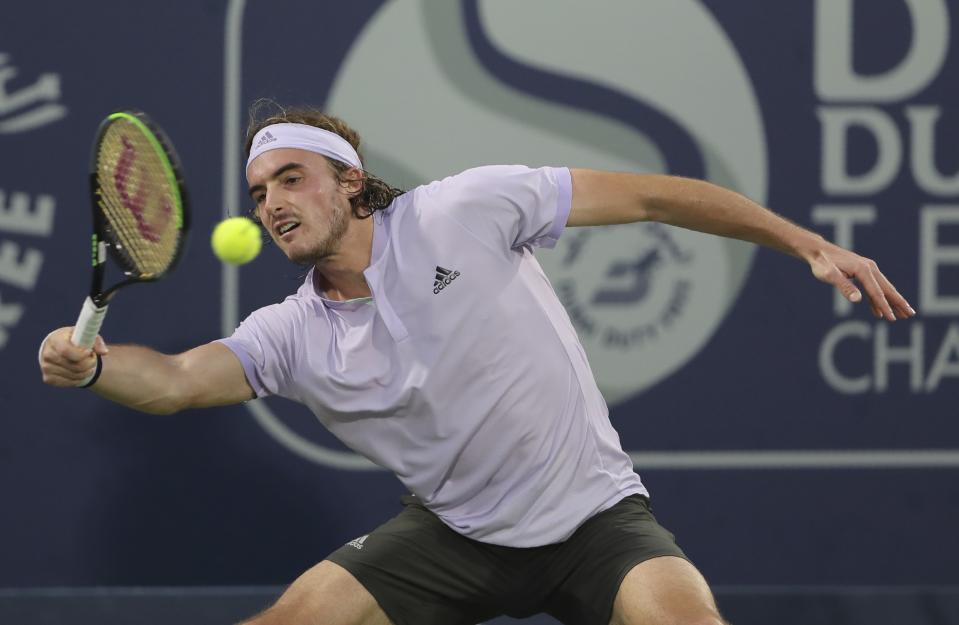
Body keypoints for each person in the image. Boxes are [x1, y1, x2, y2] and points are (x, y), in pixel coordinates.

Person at [39, 106, 915, 625]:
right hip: (452, 536)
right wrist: (94, 365)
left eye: (291, 178)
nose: (271, 203)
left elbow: (652, 195)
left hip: (595, 517)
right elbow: (178, 381)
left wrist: (805, 242)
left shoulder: (463, 209)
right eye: (260, 192)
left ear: (350, 180)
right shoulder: (291, 331)